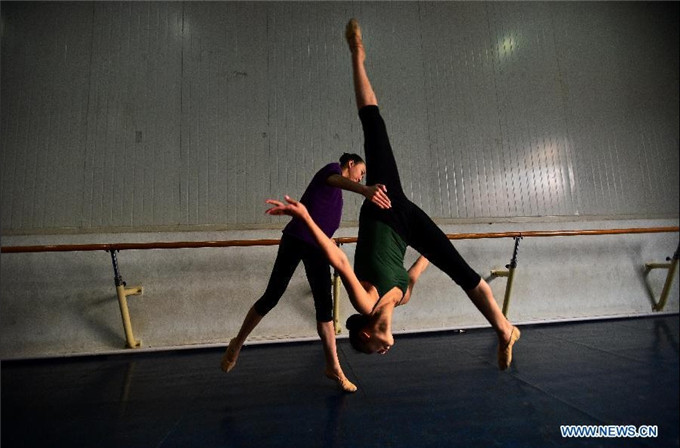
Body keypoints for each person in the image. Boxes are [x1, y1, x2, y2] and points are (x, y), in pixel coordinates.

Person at [265, 19, 520, 370]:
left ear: (366, 335)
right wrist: (437, 245)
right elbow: (417, 268)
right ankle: (505, 331)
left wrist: (306, 217)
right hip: (410, 221)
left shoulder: (365, 304)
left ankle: (357, 53)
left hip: (383, 204)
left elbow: (338, 262)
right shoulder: (402, 299)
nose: (384, 352)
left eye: (374, 350)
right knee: (464, 274)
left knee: (373, 124)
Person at [221, 152, 391, 393]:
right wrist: (364, 190)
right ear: (350, 164)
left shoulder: (336, 199)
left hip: (317, 248)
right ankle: (236, 345)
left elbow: (323, 219)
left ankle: (334, 367)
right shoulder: (331, 171)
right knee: (272, 296)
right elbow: (336, 179)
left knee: (325, 309)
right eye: (360, 172)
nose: (360, 177)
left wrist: (329, 241)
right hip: (295, 239)